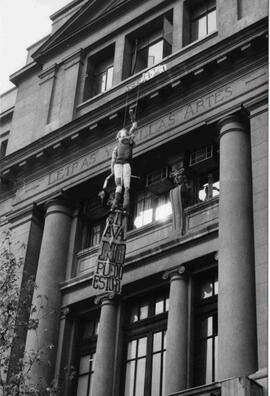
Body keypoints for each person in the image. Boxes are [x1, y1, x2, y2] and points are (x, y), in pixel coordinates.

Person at [111, 109, 137, 211]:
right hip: (118, 164)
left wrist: (131, 114)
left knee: (126, 184)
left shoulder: (129, 141)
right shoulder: (117, 147)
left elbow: (134, 125)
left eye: (124, 134)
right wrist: (112, 169)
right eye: (121, 135)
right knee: (119, 183)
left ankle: (126, 201)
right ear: (118, 137)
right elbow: (113, 158)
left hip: (125, 163)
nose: (123, 136)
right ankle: (116, 202)